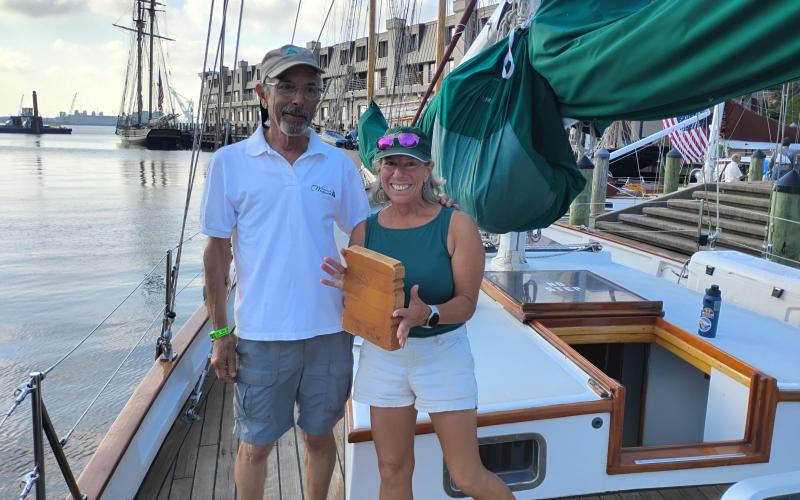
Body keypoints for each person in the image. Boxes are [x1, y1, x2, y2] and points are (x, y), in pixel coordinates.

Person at [200, 44, 370, 500]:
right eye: (287, 87)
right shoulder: (230, 163)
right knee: (255, 446)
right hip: (261, 333)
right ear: (262, 93)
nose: (299, 99)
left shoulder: (336, 163)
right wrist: (220, 336)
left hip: (330, 331)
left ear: (318, 98)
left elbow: (360, 228)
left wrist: (358, 287)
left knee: (319, 437)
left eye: (310, 89)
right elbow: (216, 255)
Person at [320, 126, 514, 500]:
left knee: (467, 475)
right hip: (384, 357)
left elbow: (468, 303)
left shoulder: (457, 224)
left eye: (410, 164)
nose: (399, 174)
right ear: (380, 171)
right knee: (391, 470)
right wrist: (354, 289)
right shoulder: (365, 230)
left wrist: (429, 314)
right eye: (390, 164)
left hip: (442, 354)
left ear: (428, 170)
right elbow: (363, 308)